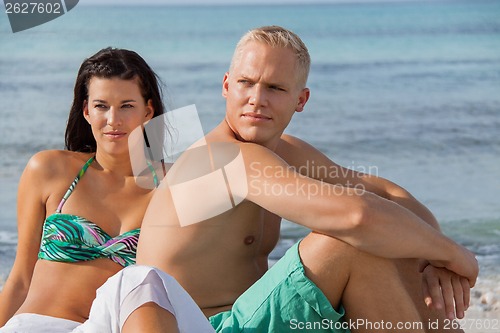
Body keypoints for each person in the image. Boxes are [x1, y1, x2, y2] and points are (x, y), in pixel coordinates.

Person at [133, 26, 478, 332]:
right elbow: (359, 216)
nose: (257, 99)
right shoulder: (224, 157)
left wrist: (437, 257)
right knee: (347, 241)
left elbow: (385, 193)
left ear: (301, 100)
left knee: (394, 239)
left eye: (275, 88)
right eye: (246, 83)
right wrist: (456, 255)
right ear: (226, 85)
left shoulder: (284, 151)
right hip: (203, 327)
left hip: (251, 319)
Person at [0, 47, 213, 333]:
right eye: (102, 106)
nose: (113, 120)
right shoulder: (50, 170)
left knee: (141, 279)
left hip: (114, 326)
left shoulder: (174, 184)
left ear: (148, 111)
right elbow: (20, 279)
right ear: (86, 111)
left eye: (127, 106)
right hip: (37, 324)